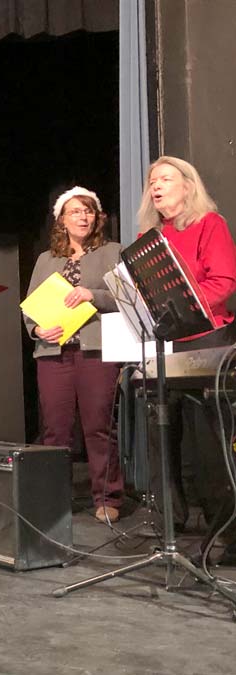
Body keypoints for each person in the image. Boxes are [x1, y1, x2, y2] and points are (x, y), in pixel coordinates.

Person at [136, 157, 236, 532]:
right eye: (151, 181)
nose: (156, 185)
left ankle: (224, 529)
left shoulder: (210, 224)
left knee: (209, 442)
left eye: (165, 178)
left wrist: (181, 309)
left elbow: (223, 282)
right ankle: (169, 523)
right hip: (166, 344)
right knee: (162, 432)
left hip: (208, 340)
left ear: (188, 186)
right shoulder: (152, 239)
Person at [24, 186, 123, 522]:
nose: (83, 217)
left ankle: (107, 496)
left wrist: (91, 294)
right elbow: (31, 311)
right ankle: (54, 495)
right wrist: (37, 330)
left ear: (97, 217)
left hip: (96, 348)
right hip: (54, 352)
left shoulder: (112, 252)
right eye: (75, 212)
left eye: (88, 211)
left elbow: (126, 298)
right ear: (61, 220)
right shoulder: (46, 260)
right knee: (55, 428)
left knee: (98, 425)